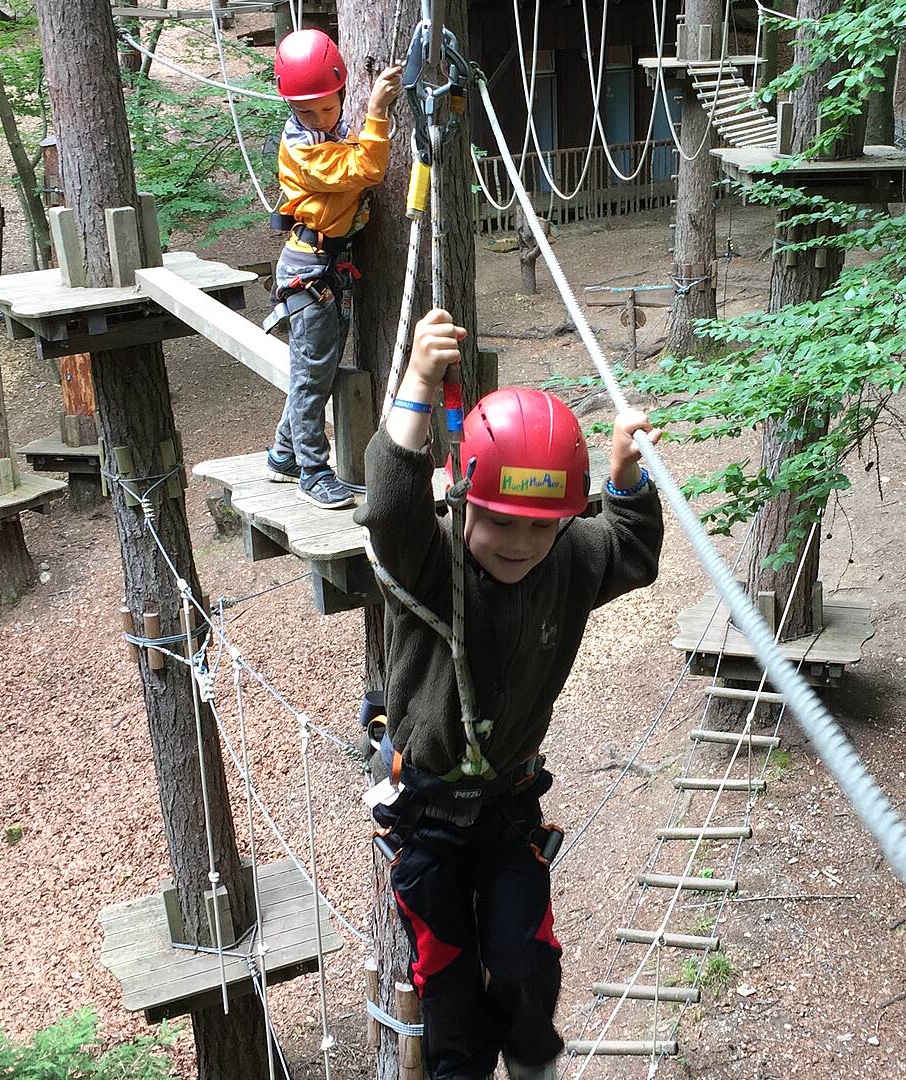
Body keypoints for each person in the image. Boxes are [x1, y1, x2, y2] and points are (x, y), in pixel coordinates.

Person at [355, 309, 665, 1080]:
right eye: (498, 521)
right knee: (451, 996)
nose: (520, 543)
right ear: (463, 501)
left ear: (567, 519)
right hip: (427, 815)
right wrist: (420, 385)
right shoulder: (430, 568)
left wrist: (626, 478)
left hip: (509, 807)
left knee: (526, 968)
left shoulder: (567, 558)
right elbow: (390, 508)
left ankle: (533, 1068)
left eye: (541, 525)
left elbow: (632, 549)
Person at [265, 28, 403, 509]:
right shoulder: (304, 147)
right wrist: (378, 113)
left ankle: (284, 454)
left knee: (315, 368)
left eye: (328, 106)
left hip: (327, 261)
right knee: (311, 374)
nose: (320, 116)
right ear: (291, 108)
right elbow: (367, 169)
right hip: (310, 265)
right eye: (306, 110)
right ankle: (311, 470)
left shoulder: (329, 131)